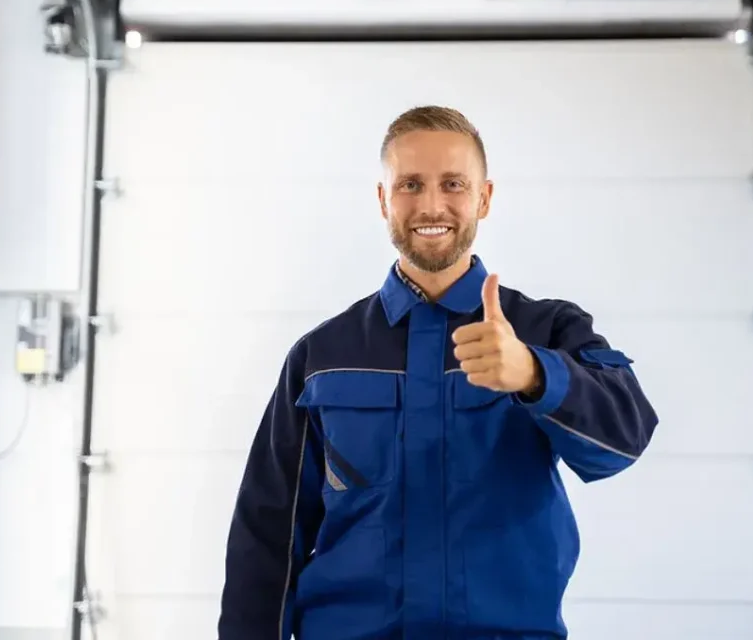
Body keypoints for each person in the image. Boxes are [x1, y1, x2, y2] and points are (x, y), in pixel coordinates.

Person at [218, 106, 659, 640]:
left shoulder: (545, 329)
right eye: (410, 184)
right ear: (383, 199)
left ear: (484, 198)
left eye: (453, 183)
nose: (431, 204)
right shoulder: (321, 356)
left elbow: (624, 443)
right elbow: (267, 533)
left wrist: (535, 376)